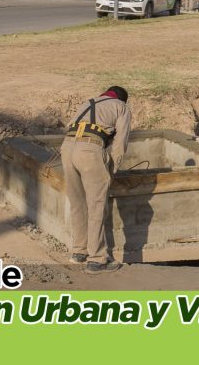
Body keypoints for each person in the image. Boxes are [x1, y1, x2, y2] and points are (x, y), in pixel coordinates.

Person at [61, 86, 131, 273]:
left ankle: (79, 251)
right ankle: (98, 259)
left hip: (67, 148)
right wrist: (113, 169)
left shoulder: (88, 102)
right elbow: (121, 142)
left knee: (77, 203)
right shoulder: (121, 107)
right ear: (122, 99)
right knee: (97, 205)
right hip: (90, 151)